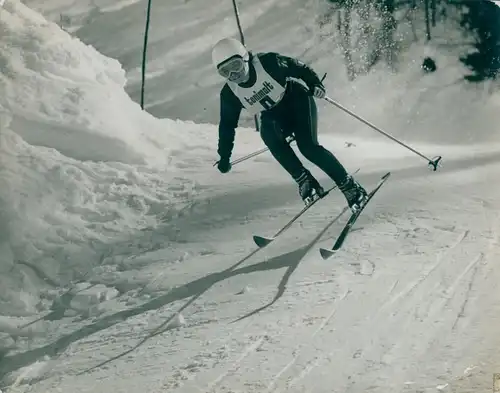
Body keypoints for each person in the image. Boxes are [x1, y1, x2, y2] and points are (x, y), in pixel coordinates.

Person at [212, 37, 368, 213]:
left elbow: (299, 68)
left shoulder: (268, 63)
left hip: (297, 101)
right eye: (225, 72)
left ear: (245, 57)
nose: (234, 75)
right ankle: (305, 180)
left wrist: (314, 83)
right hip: (274, 116)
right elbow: (226, 126)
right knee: (267, 133)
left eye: (236, 65)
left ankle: (350, 187)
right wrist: (224, 156)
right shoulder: (230, 93)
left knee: (308, 147)